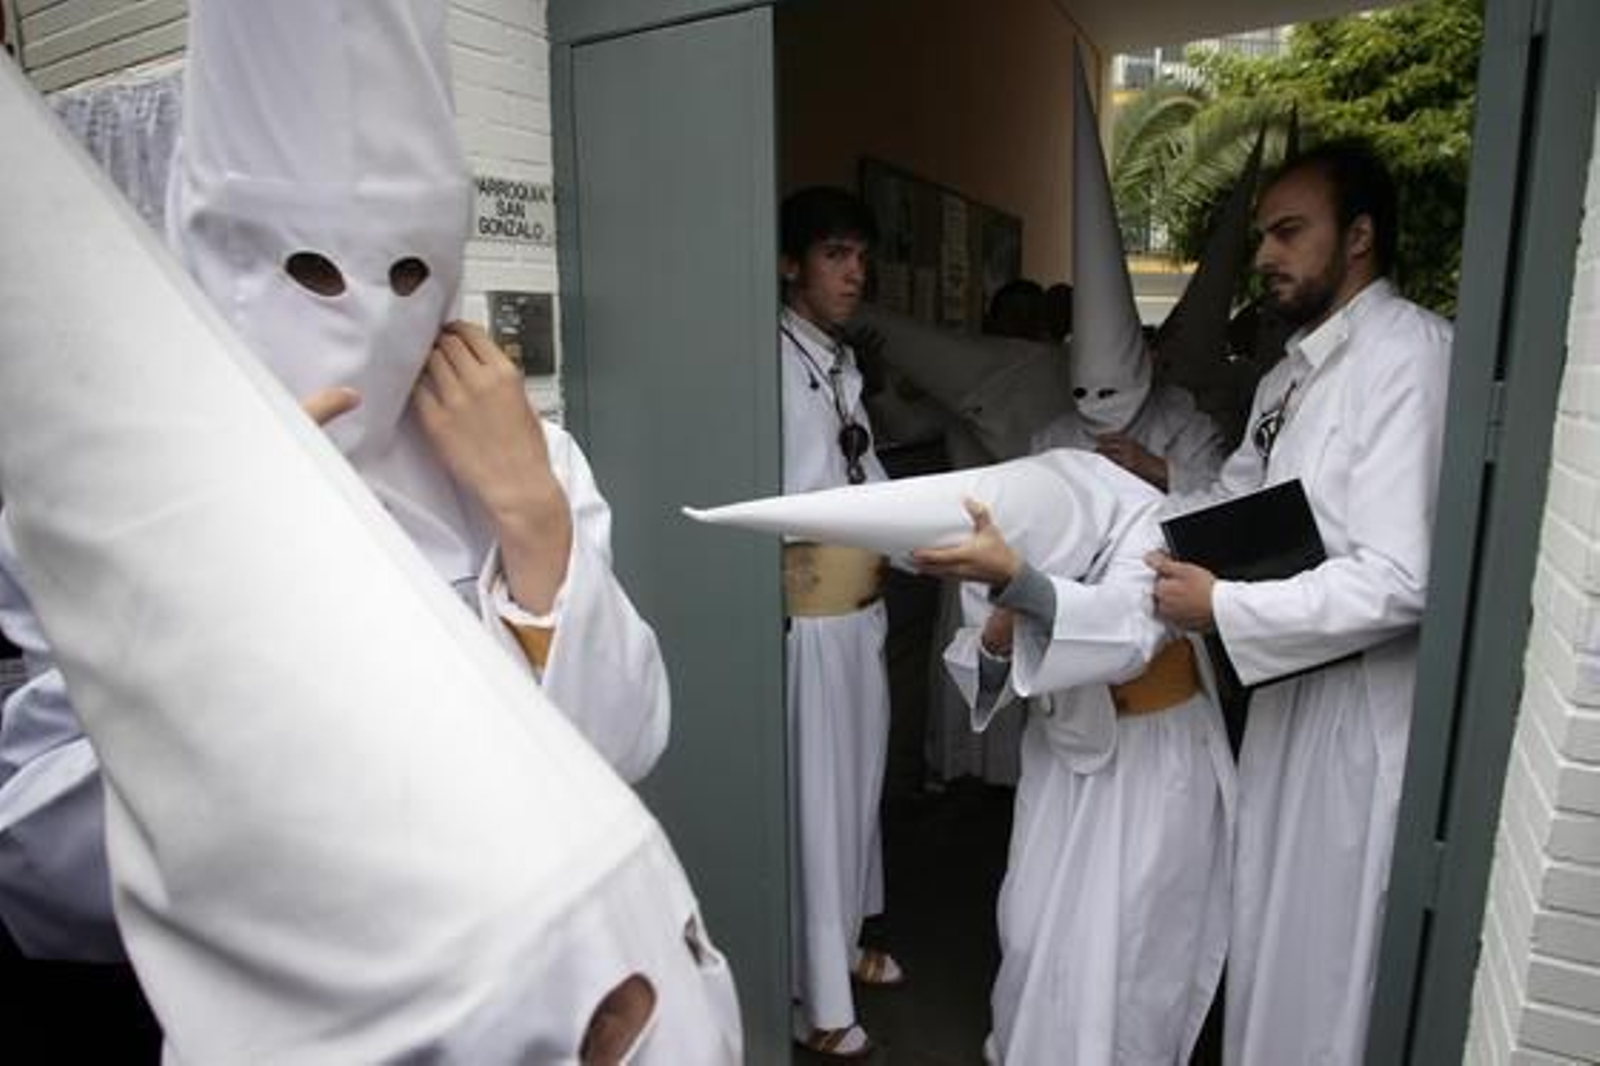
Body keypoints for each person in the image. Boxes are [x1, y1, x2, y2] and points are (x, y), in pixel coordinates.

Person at [0, 0, 666, 978]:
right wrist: (219, 588)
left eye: (408, 269)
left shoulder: (537, 457)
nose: (362, 314)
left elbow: (629, 736)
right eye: (305, 265)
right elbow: (41, 873)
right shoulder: (108, 490)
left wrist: (531, 518)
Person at [1149, 142, 1453, 1064]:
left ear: (1359, 237)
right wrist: (1106, 520)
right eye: (1262, 237)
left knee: (1322, 965)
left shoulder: (1411, 358)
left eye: (1289, 232)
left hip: (1355, 722)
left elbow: (1402, 579)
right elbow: (1231, 502)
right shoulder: (1287, 376)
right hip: (1279, 696)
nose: (1266, 257)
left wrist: (1226, 609)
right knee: (1267, 936)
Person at [917, 452, 1231, 1065]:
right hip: (1062, 756)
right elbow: (979, 668)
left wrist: (1023, 584)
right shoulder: (999, 543)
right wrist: (1001, 624)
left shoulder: (1148, 522)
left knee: (1133, 946)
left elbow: (1126, 633)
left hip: (1157, 762)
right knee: (1034, 927)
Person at [780, 185, 903, 1058]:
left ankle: (848, 941)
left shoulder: (837, 359)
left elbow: (863, 474)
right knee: (818, 805)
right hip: (811, 614)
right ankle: (814, 999)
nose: (853, 271)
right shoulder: (769, 358)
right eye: (833, 254)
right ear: (791, 264)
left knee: (859, 791)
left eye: (860, 254)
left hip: (863, 610)